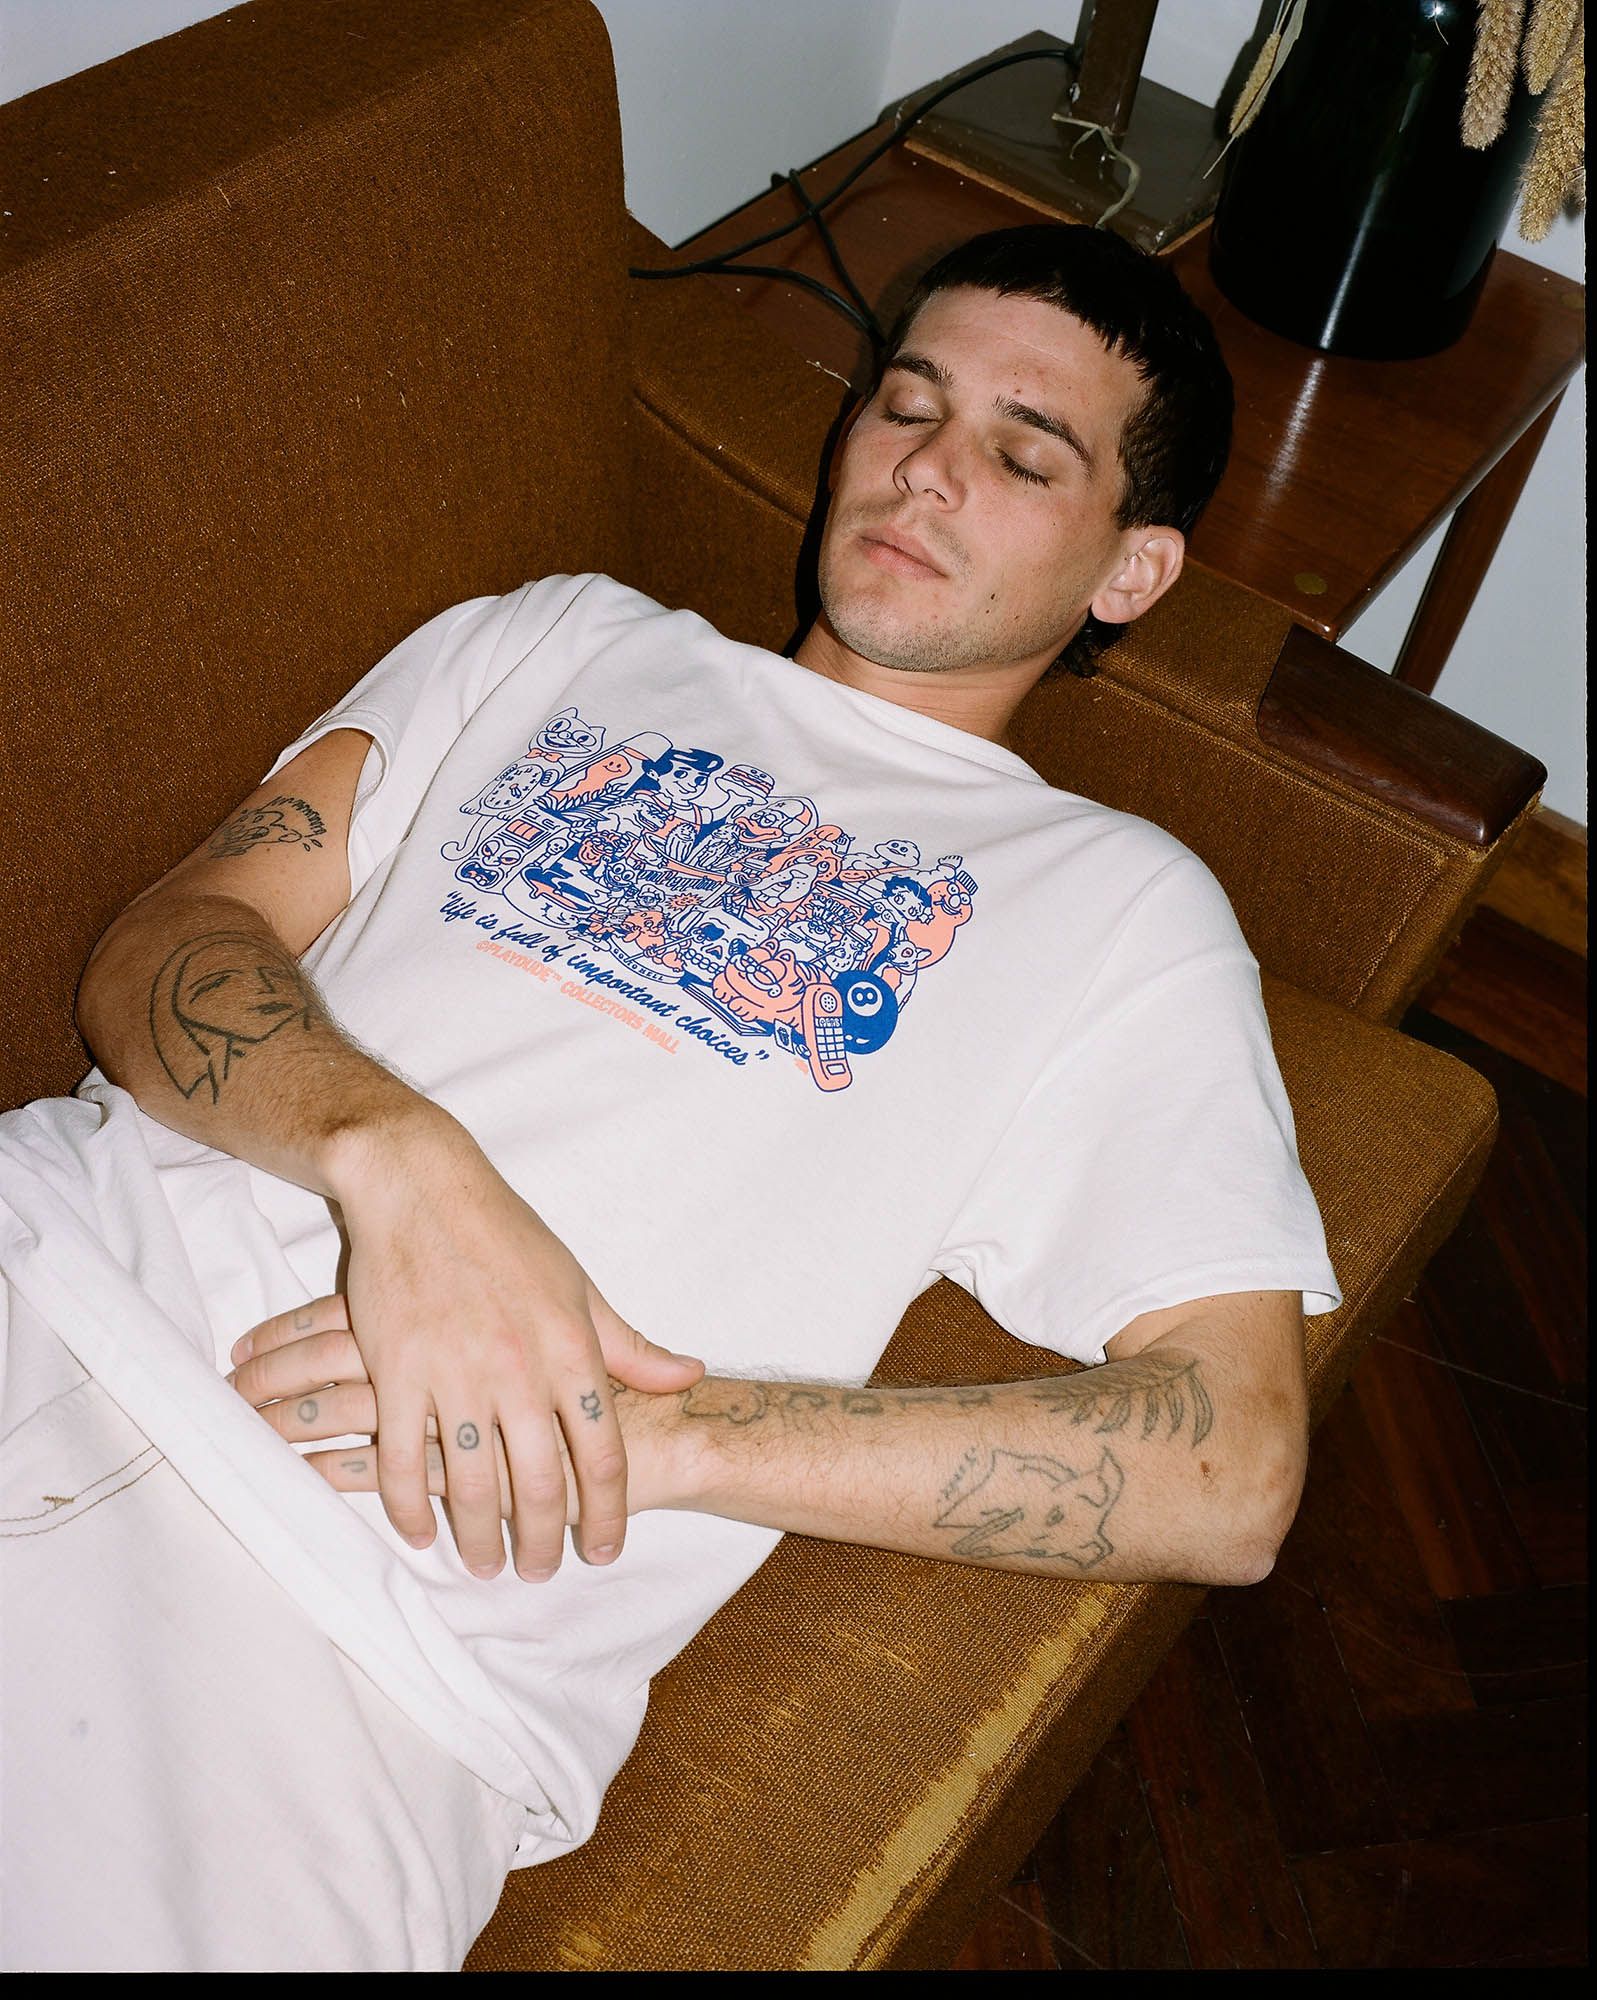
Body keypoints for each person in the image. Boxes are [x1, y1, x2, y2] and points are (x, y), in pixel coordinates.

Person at [0, 224, 1338, 1971]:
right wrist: (404, 1170)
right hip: (56, 1274)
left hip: (366, 1652)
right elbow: (164, 947)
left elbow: (1230, 1465)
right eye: (905, 403)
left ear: (1132, 570)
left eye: (1023, 456)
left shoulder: (1119, 907)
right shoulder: (560, 636)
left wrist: (671, 1437)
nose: (926, 466)